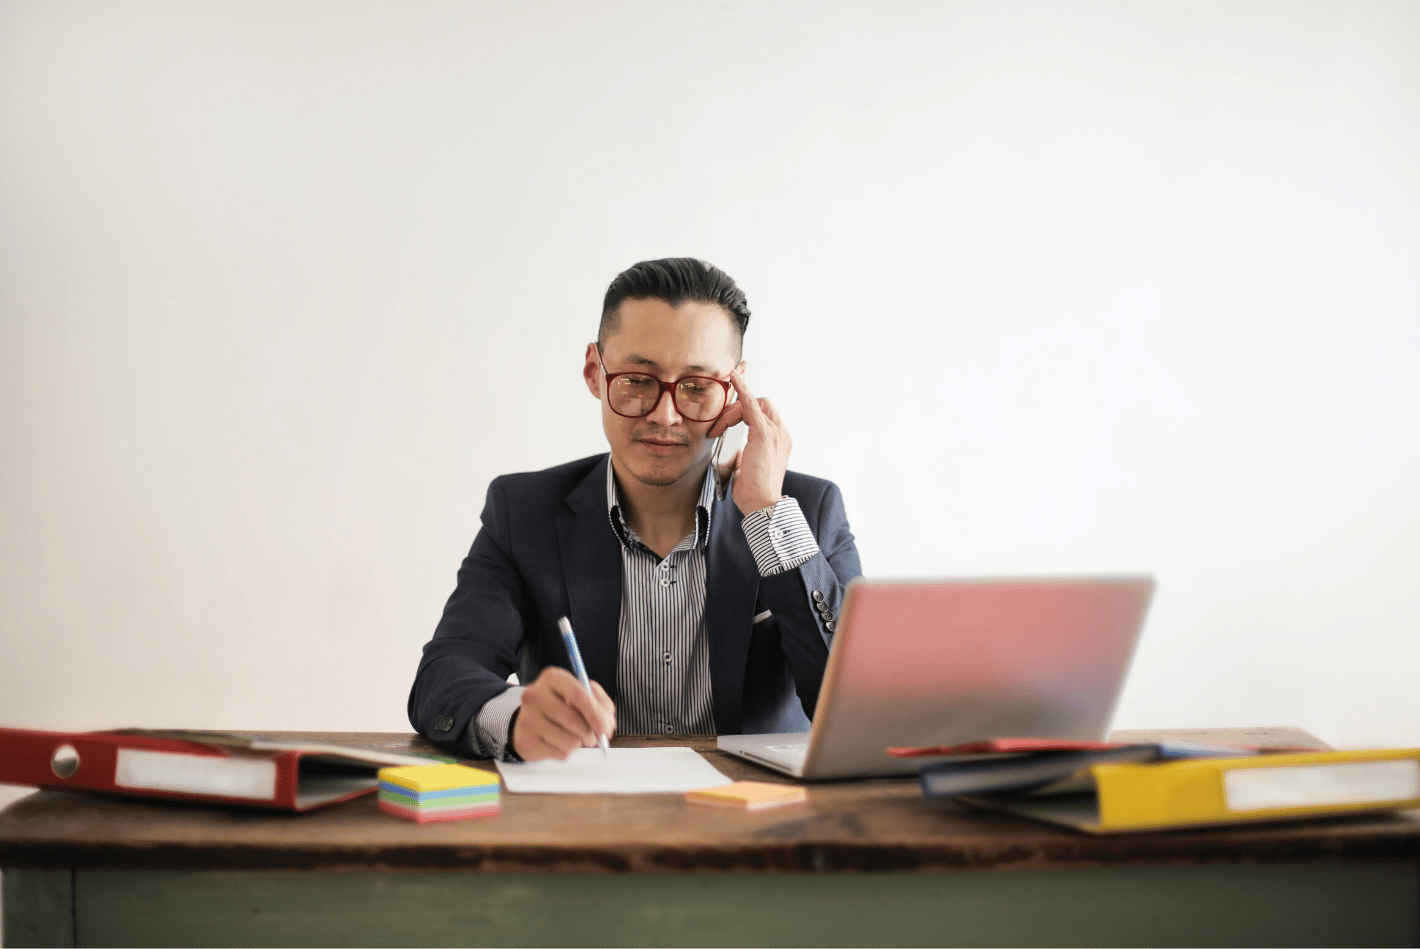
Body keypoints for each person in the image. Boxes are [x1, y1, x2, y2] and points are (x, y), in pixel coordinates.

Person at [408, 258, 862, 761]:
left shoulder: (808, 512)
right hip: (591, 821)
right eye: (638, 380)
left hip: (754, 824)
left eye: (696, 387)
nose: (664, 415)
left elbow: (855, 709)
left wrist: (768, 516)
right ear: (594, 372)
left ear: (734, 390)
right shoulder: (524, 513)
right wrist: (513, 714)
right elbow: (444, 675)